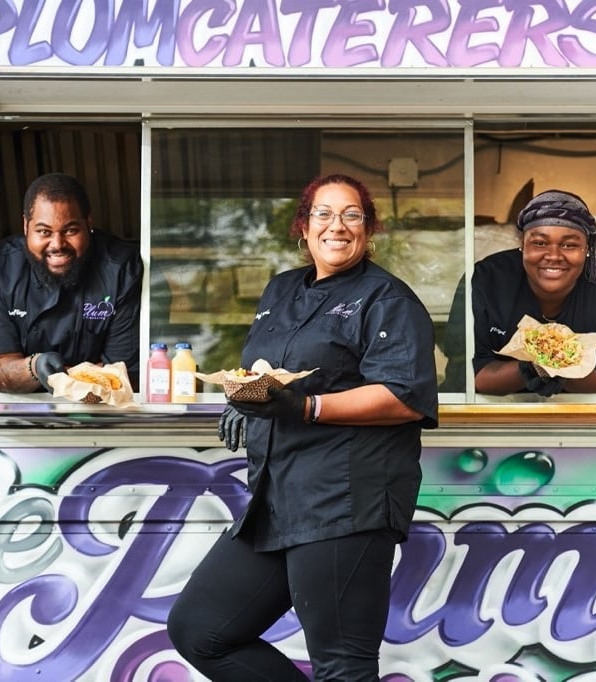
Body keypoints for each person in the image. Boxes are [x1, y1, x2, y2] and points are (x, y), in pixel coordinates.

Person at [167, 173, 438, 681]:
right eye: (324, 214)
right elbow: (267, 372)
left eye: (352, 215)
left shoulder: (388, 299)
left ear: (368, 229)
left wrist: (306, 407)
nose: (337, 225)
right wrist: (248, 399)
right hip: (277, 500)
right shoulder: (282, 289)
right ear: (304, 226)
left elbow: (404, 396)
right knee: (200, 630)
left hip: (345, 502)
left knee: (343, 668)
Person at [442, 189, 596, 399]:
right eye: (540, 243)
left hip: (584, 411)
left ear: (587, 248)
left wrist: (559, 370)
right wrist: (528, 369)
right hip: (491, 410)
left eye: (569, 245)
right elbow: (468, 373)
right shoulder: (486, 281)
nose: (553, 256)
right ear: (522, 244)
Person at [0, 172, 143, 392]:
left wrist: (56, 376)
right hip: (21, 409)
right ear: (26, 226)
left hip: (102, 409)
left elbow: (121, 375)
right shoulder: (0, 267)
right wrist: (35, 367)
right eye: (44, 232)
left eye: (70, 230)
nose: (57, 244)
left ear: (89, 223)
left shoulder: (121, 268)